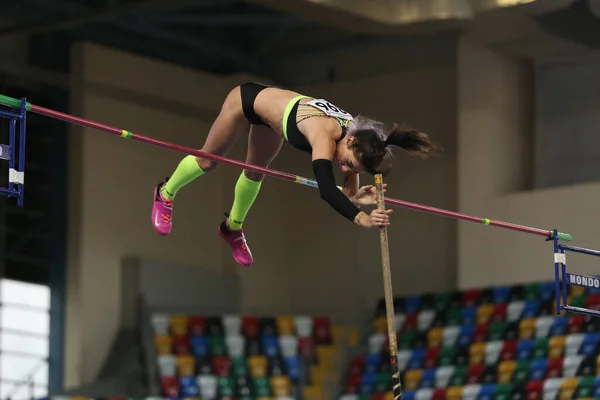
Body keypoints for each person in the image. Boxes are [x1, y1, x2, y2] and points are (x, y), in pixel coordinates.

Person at [152, 82, 438, 267]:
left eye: (354, 170)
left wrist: (355, 198)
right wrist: (361, 219)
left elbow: (344, 195)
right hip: (246, 101)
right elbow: (327, 190)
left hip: (273, 121)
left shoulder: (354, 144)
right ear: (349, 141)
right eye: (349, 163)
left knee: (255, 172)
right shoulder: (325, 136)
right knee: (208, 161)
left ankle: (232, 228)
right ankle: (165, 193)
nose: (346, 169)